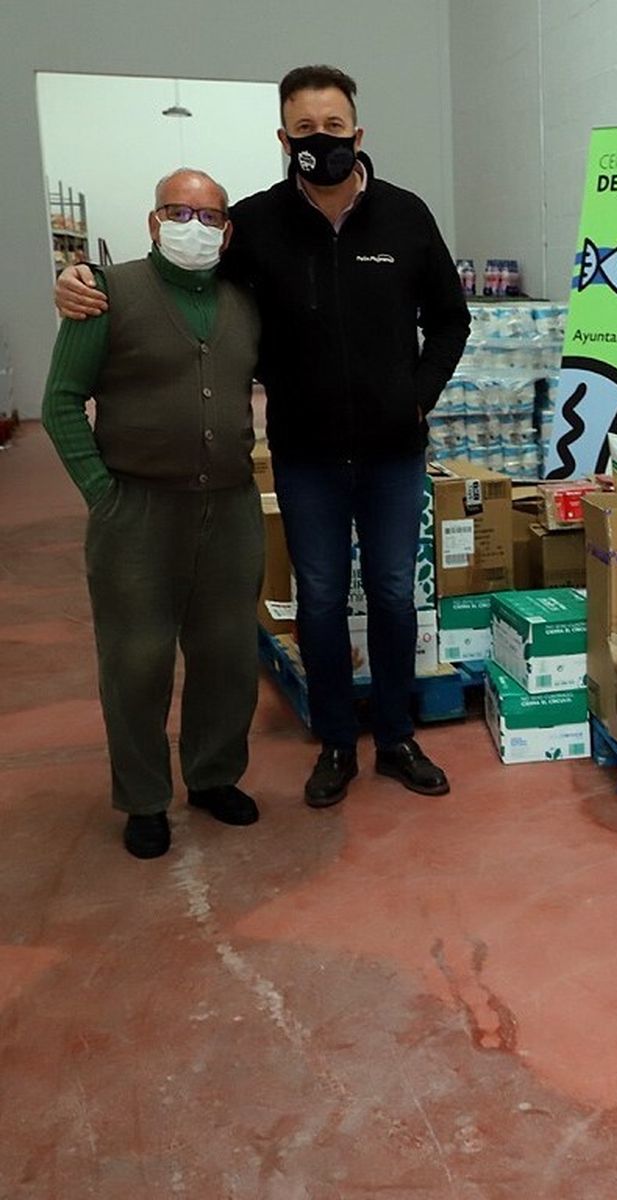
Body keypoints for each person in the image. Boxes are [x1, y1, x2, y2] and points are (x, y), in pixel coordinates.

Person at [58, 65, 470, 810]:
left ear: (358, 133)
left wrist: (417, 398)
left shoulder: (407, 217)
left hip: (392, 456)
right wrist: (84, 279)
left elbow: (451, 319)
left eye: (334, 129)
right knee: (315, 598)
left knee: (392, 594)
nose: (321, 142)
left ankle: (398, 737)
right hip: (305, 455)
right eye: (305, 131)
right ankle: (338, 741)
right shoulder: (257, 223)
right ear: (284, 137)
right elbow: (187, 281)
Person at [42, 170, 263, 859]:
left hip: (229, 506)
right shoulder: (107, 293)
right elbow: (59, 402)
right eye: (178, 211)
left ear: (227, 231)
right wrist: (102, 494)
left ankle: (213, 775)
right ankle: (143, 798)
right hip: (136, 508)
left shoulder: (243, 303)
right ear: (152, 220)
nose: (193, 225)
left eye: (208, 215)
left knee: (226, 655)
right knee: (136, 661)